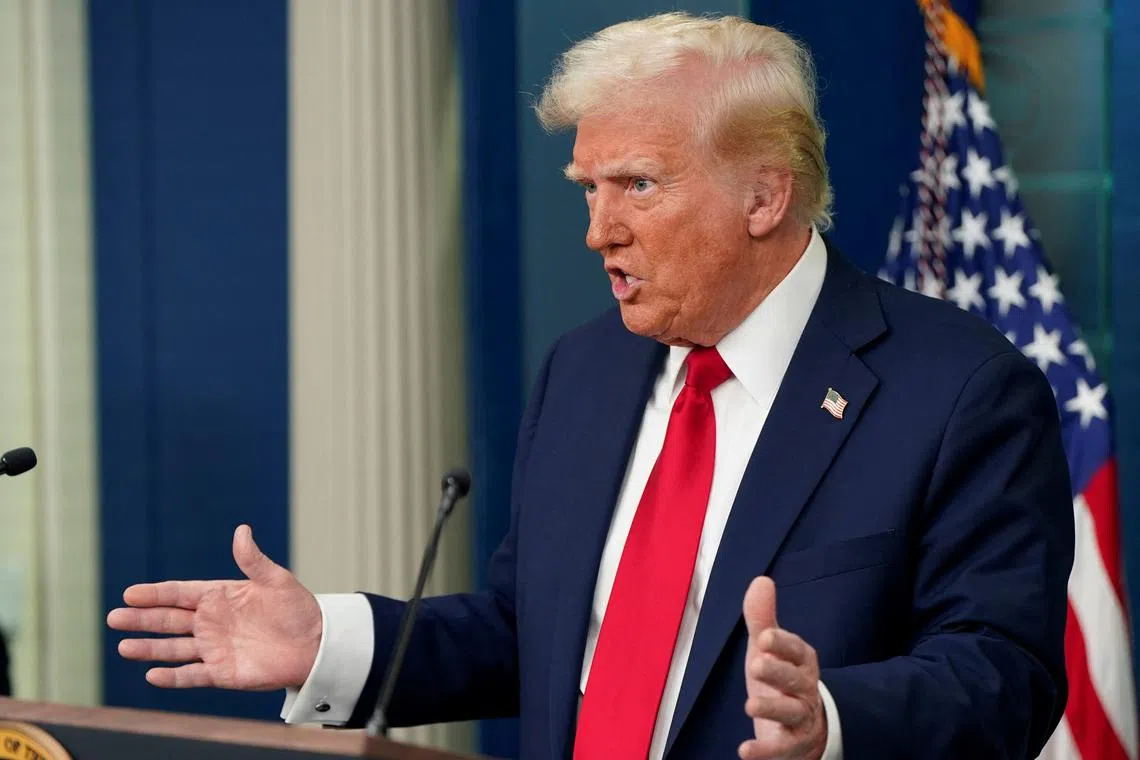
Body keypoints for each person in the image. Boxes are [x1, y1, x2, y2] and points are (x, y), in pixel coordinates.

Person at [107, 12, 1073, 760]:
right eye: (587, 188)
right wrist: (330, 642)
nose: (598, 230)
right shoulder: (587, 367)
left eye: (637, 186)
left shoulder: (958, 389)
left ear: (765, 196)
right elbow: (534, 632)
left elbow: (1004, 672)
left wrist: (827, 717)